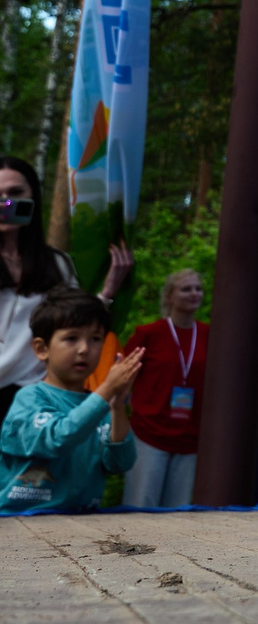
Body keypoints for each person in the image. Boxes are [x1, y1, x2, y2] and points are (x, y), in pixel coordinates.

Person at [0, 155, 132, 426]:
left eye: (15, 193)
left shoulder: (56, 264)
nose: (6, 203)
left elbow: (75, 319)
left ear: (33, 197)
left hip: (35, 398)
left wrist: (109, 288)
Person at [0, 289, 144, 513]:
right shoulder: (29, 398)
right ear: (42, 348)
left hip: (80, 523)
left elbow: (120, 463)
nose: (84, 349)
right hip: (21, 521)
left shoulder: (100, 404)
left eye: (95, 339)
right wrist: (106, 391)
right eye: (71, 338)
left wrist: (116, 407)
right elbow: (59, 438)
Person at [122, 268, 210, 508]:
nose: (194, 293)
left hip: (191, 438)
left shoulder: (209, 334)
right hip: (149, 434)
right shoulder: (149, 334)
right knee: (141, 505)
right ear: (169, 296)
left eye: (198, 288)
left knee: (178, 512)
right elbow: (121, 375)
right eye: (186, 289)